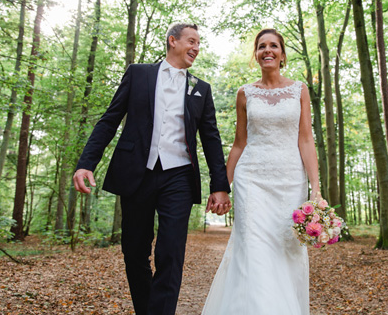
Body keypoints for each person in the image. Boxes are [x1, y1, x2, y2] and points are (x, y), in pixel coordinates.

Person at [73, 23, 232, 315]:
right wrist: (86, 164)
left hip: (180, 176)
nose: (197, 48)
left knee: (170, 253)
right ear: (173, 41)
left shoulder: (201, 88)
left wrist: (219, 185)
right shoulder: (139, 74)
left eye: (199, 43)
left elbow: (211, 138)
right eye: (191, 41)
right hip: (137, 173)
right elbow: (109, 119)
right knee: (134, 252)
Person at [202, 28, 321, 315]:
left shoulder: (299, 90)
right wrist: (221, 187)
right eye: (262, 46)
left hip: (290, 181)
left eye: (274, 46)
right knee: (253, 251)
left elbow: (305, 139)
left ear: (282, 55)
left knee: (286, 252)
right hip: (251, 180)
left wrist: (315, 190)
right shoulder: (245, 93)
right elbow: (239, 143)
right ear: (256, 55)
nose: (268, 50)